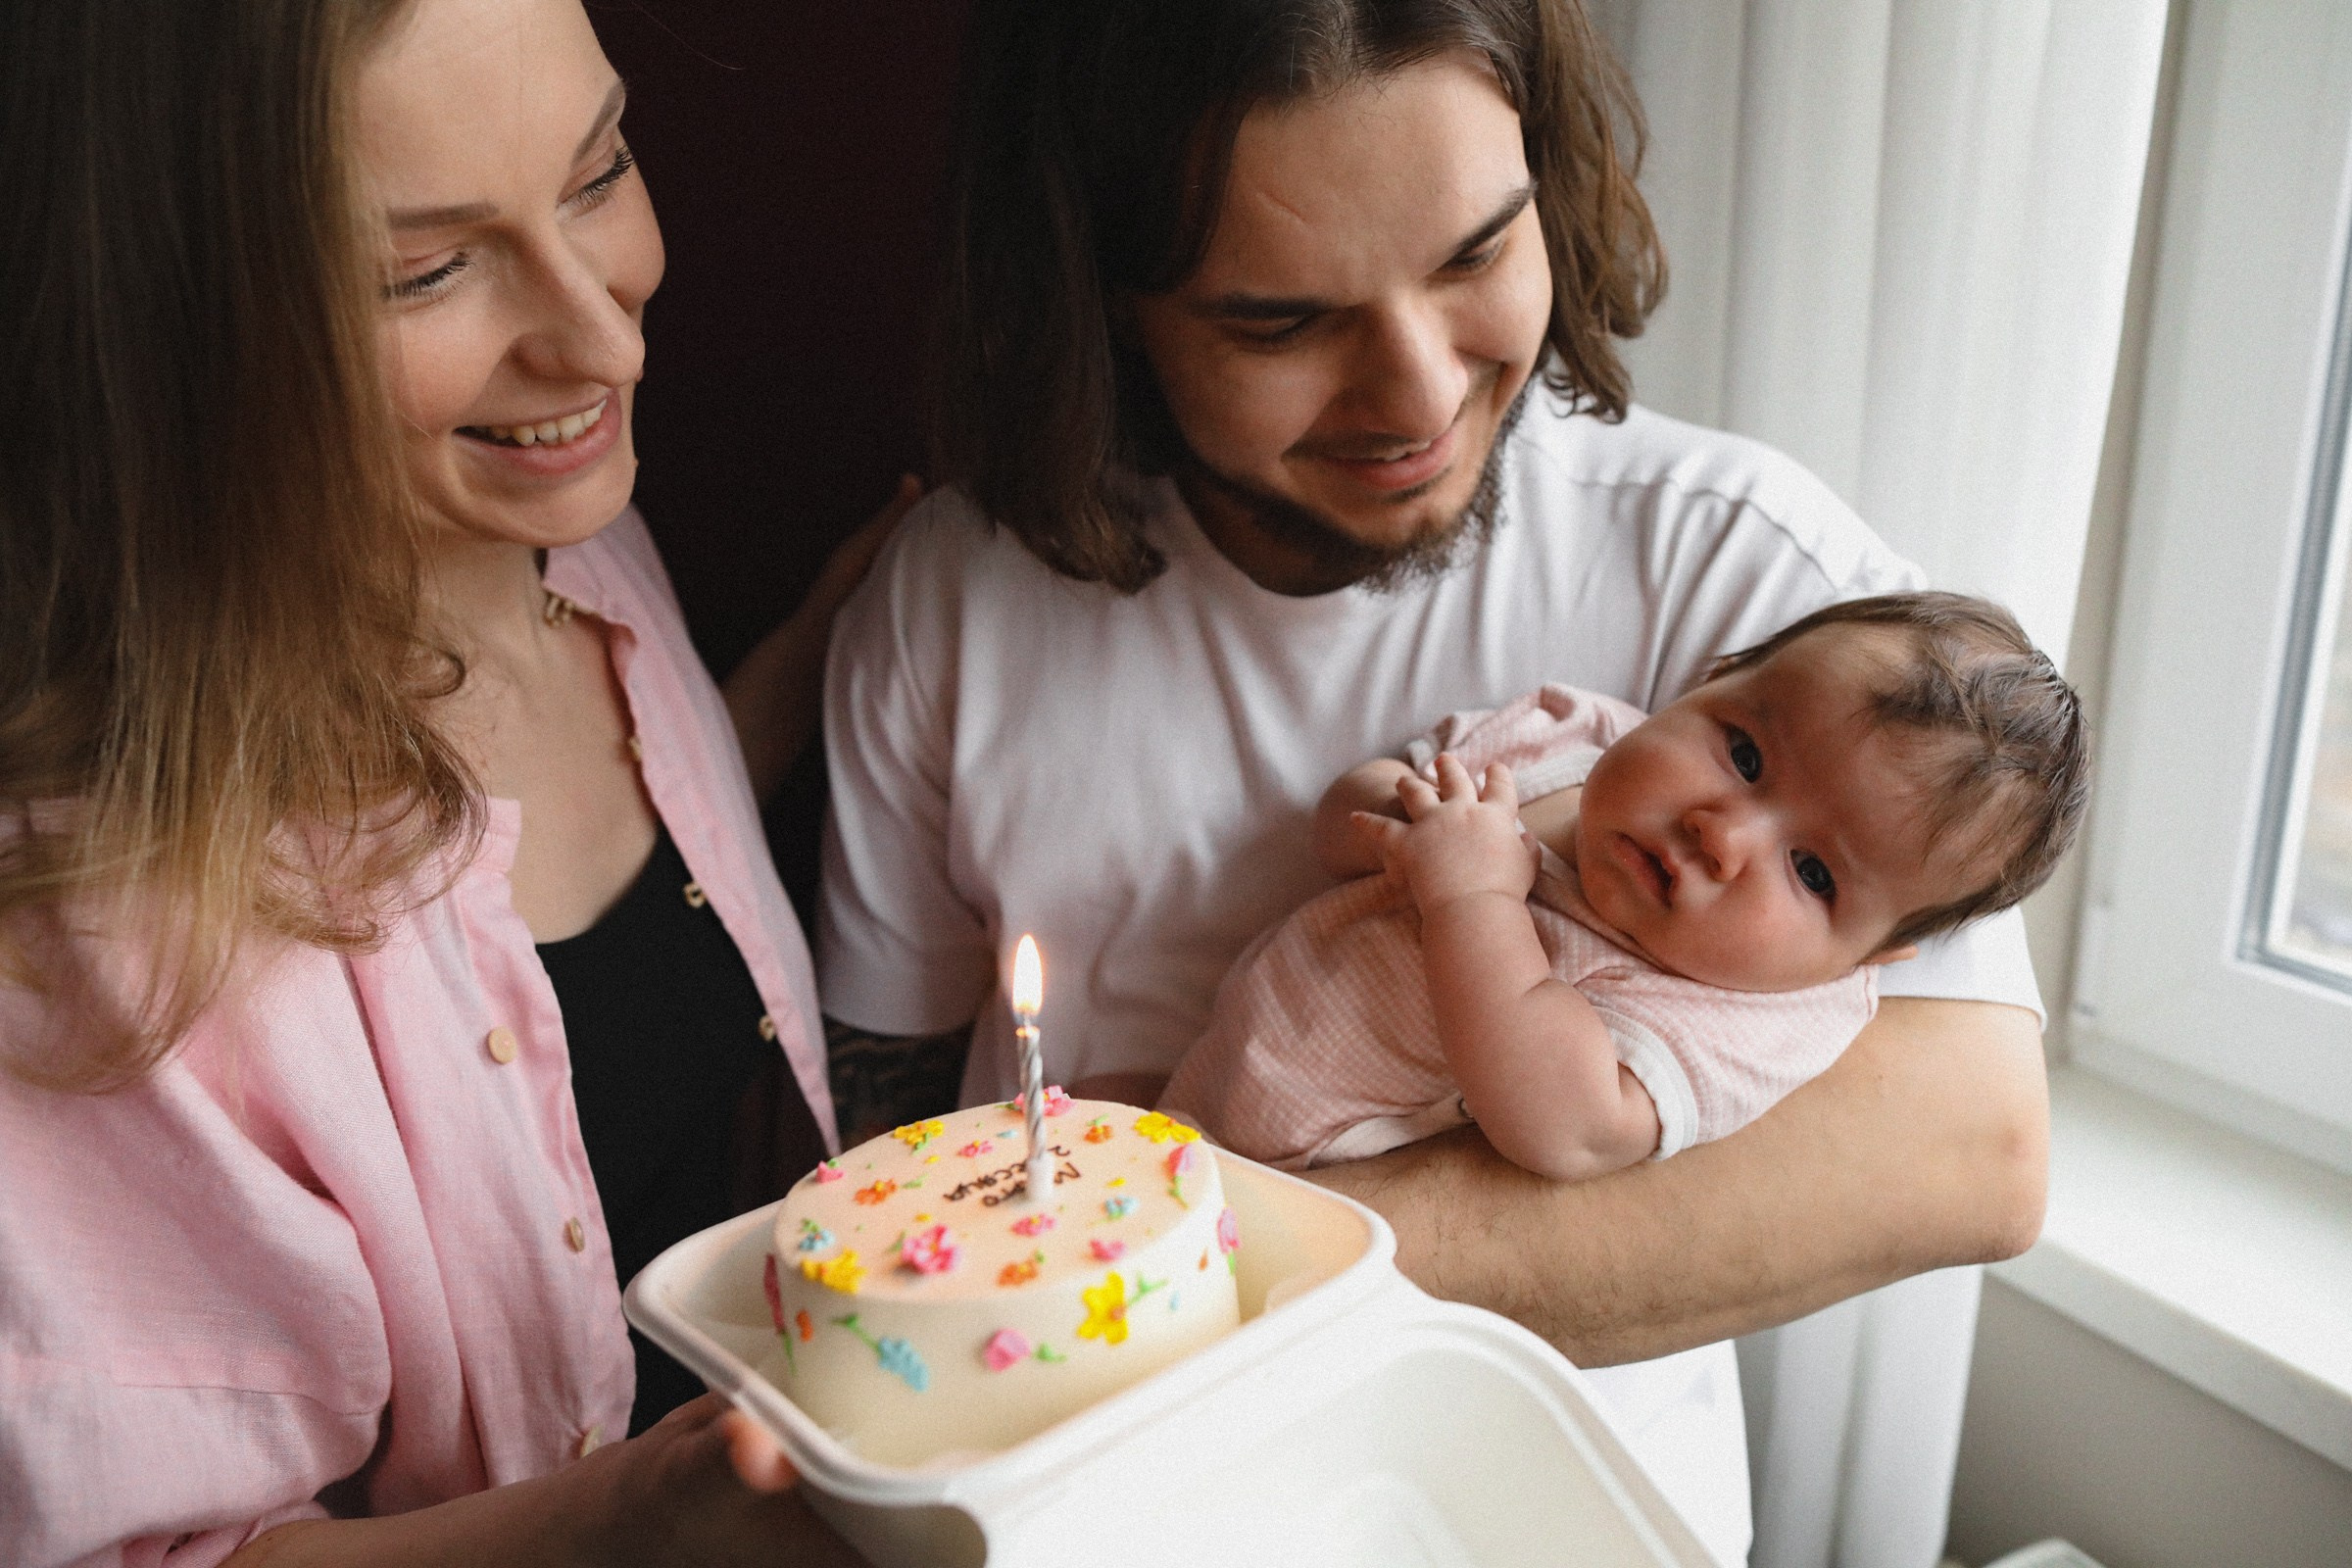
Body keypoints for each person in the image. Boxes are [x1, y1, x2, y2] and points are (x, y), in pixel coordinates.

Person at [818, 2, 2050, 1559]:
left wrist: (1172, 1257)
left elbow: (1974, 1158)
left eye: (1476, 256)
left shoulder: (1761, 591)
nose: (1414, 396)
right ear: (1111, 303)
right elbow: (874, 1109)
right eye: (1280, 321)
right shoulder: (954, 605)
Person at [0, 0, 884, 1561]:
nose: (606, 339)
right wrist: (644, 1511)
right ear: (172, 325)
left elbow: (589, 948)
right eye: (430, 270)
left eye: (599, 169)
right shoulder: (97, 918)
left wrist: (820, 649)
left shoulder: (574, 540)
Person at [1163, 594, 2088, 1176]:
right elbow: (1337, 827)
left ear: (1870, 953)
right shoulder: (1566, 740)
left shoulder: (1756, 1017)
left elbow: (1566, 1130)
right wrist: (1410, 823)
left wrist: (1473, 902)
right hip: (1209, 1067)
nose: (1722, 835)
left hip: (1310, 1183)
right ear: (1711, 679)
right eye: (1745, 752)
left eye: (1812, 874)